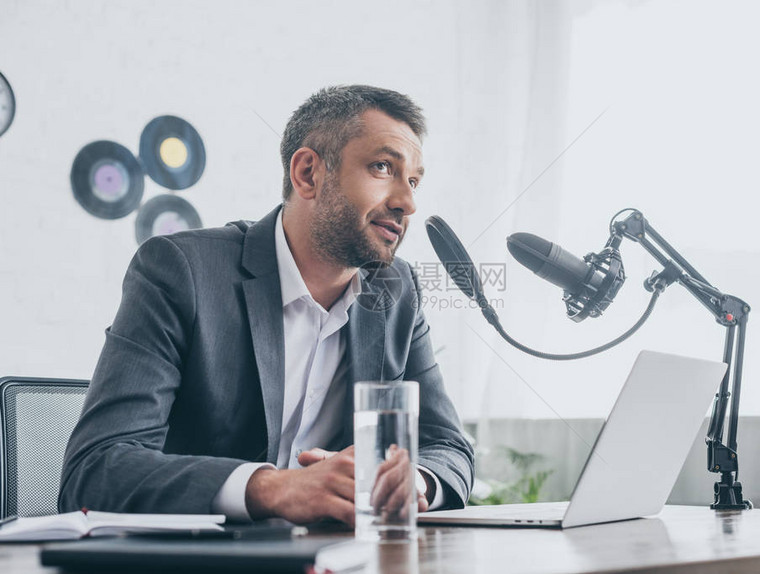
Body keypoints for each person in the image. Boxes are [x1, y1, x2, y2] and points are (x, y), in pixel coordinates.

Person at [59, 85, 474, 525]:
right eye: (382, 167)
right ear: (308, 173)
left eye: (412, 180)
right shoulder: (181, 271)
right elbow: (95, 469)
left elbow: (447, 445)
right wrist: (271, 487)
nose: (406, 202)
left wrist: (418, 482)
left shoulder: (396, 290)